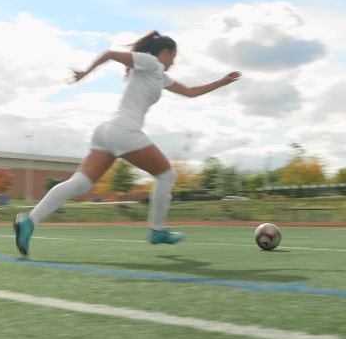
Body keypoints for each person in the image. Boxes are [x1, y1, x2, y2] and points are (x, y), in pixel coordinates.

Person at [13, 30, 241, 258]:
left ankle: (29, 222)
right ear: (165, 52)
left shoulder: (159, 74)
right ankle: (157, 230)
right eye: (174, 56)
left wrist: (222, 82)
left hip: (107, 131)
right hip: (124, 130)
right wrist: (85, 73)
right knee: (166, 175)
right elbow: (111, 53)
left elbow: (190, 92)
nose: (174, 61)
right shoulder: (150, 61)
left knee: (80, 184)